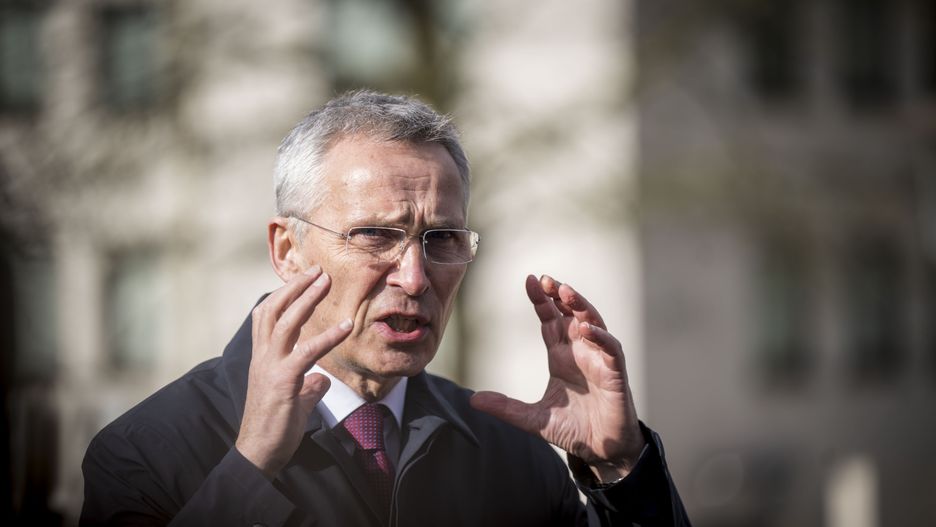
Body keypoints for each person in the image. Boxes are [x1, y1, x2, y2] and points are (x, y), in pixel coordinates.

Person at [80, 91, 691, 526]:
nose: (415, 276)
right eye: (375, 235)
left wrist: (620, 470)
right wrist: (249, 468)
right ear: (288, 250)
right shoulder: (146, 452)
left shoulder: (510, 453)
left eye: (442, 239)